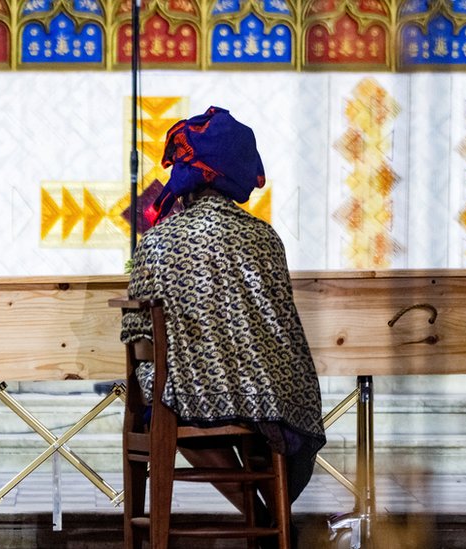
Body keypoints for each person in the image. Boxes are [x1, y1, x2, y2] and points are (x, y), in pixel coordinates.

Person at [120, 106, 326, 545]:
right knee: (257, 414)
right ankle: (273, 522)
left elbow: (138, 332)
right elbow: (281, 329)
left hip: (186, 398)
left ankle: (268, 522)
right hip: (262, 398)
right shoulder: (264, 238)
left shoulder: (157, 241)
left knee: (172, 403)